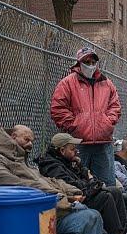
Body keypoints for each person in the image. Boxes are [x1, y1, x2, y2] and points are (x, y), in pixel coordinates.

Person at [35, 133, 127, 234]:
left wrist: (81, 168)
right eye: (72, 149)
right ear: (62, 150)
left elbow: (87, 180)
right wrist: (89, 180)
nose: (76, 152)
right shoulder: (52, 166)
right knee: (105, 197)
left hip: (84, 192)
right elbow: (74, 185)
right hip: (73, 200)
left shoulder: (68, 162)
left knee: (115, 192)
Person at [50, 46, 121, 187]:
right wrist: (74, 126)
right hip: (78, 144)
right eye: (86, 61)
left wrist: (107, 122)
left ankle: (107, 208)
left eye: (93, 61)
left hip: (103, 142)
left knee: (107, 184)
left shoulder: (107, 83)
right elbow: (58, 108)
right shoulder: (67, 83)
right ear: (79, 63)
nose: (90, 65)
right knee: (79, 183)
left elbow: (115, 106)